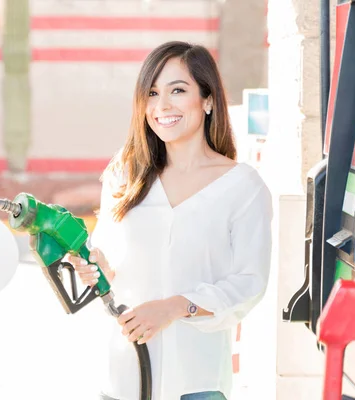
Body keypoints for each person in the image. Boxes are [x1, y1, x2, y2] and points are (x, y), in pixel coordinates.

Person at [65, 41, 273, 400]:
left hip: (197, 380)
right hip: (123, 377)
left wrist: (175, 307)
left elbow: (248, 284)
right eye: (152, 93)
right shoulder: (125, 174)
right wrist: (93, 264)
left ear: (208, 100)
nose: (162, 106)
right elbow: (111, 262)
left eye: (178, 90)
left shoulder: (242, 186)